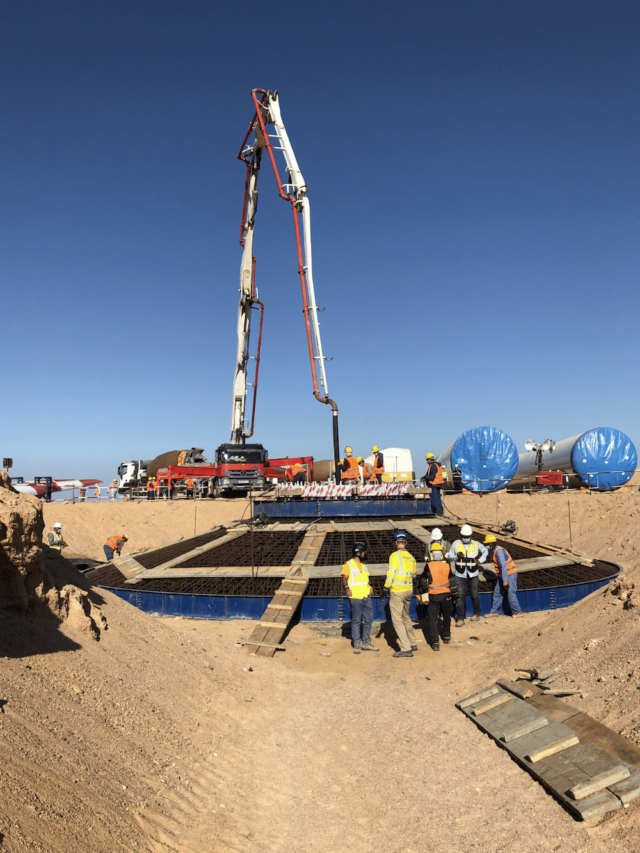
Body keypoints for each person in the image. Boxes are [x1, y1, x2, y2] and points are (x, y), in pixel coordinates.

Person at [381, 530, 418, 658]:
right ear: (405, 543)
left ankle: (406, 648)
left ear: (396, 543)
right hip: (409, 590)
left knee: (397, 620)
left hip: (398, 591)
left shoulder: (394, 556)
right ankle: (412, 643)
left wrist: (386, 588)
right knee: (406, 617)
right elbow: (413, 575)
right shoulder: (412, 557)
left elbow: (391, 573)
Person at [446, 524, 488, 626]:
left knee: (474, 594)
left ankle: (477, 613)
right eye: (464, 536)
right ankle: (460, 618)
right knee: (460, 596)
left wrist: (480, 560)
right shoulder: (456, 544)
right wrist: (456, 556)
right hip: (460, 574)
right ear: (461, 535)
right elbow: (449, 555)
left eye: (467, 536)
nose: (465, 538)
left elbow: (485, 551)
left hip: (473, 573)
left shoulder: (476, 544)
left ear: (471, 536)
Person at [341, 542, 379, 654]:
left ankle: (366, 643)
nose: (365, 554)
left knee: (369, 619)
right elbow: (344, 578)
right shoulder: (349, 564)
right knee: (357, 620)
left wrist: (370, 586)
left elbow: (366, 578)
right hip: (356, 596)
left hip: (366, 595)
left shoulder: (364, 566)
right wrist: (347, 588)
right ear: (358, 553)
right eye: (364, 552)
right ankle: (357, 644)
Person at [419, 542, 456, 650]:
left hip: (433, 596)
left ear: (432, 554)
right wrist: (456, 595)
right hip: (446, 596)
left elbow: (423, 581)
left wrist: (425, 590)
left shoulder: (428, 566)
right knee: (446, 617)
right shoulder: (446, 565)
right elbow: (452, 581)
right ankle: (446, 636)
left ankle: (435, 642)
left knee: (433, 619)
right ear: (441, 553)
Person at [484, 535, 523, 618]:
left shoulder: (499, 552)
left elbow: (504, 566)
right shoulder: (495, 551)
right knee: (497, 593)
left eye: (487, 544)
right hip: (502, 575)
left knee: (510, 593)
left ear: (491, 543)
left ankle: (518, 611)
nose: (486, 545)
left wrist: (505, 581)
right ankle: (494, 611)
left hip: (509, 575)